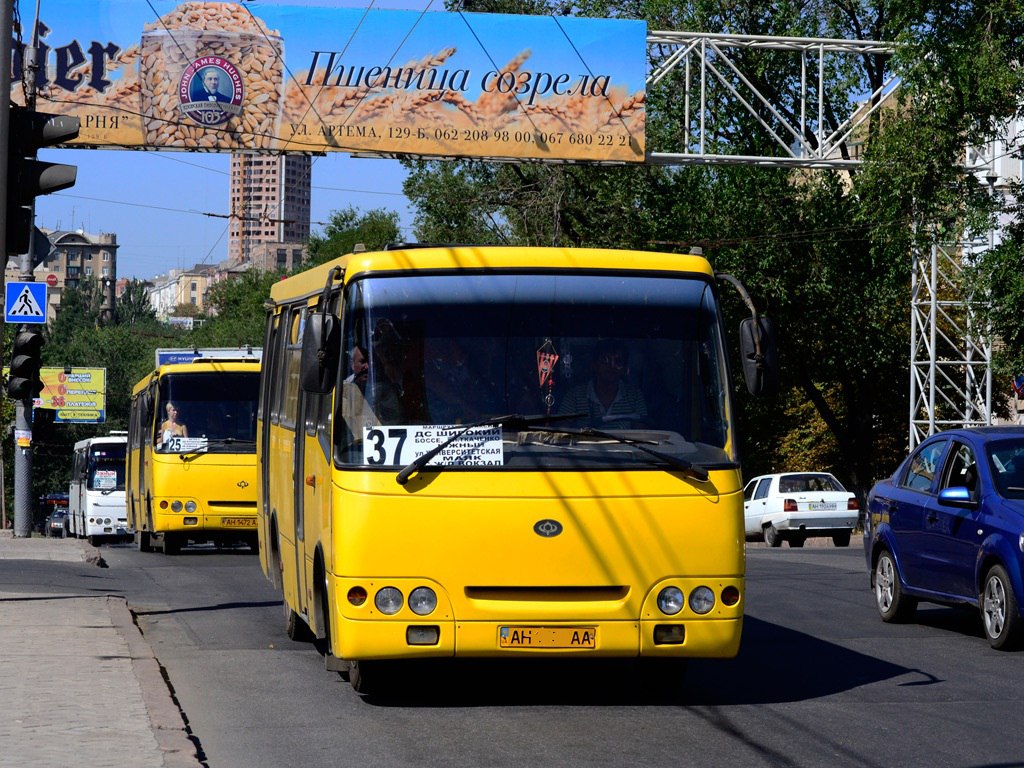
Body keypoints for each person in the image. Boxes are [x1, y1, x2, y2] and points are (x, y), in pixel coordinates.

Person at [557, 339, 648, 429]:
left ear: (624, 368)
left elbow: (642, 435)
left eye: (618, 361)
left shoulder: (634, 396)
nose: (611, 366)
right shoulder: (575, 396)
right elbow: (562, 432)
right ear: (594, 364)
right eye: (605, 360)